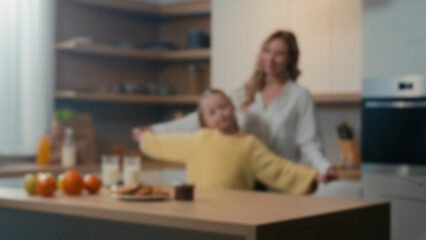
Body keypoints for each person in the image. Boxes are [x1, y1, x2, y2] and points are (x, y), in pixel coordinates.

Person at [133, 30, 337, 183]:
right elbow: (200, 119)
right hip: (246, 180)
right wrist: (154, 130)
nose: (270, 59)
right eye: (266, 51)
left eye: (279, 54)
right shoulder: (243, 91)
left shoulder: (300, 97)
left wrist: (323, 167)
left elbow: (309, 142)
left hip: (281, 181)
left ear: (291, 58)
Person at [140, 89, 329, 195]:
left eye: (223, 107)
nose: (220, 113)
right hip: (200, 211)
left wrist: (310, 177)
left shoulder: (249, 145)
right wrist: (146, 137)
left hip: (238, 214)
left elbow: (278, 168)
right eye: (212, 112)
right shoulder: (198, 139)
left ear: (232, 107)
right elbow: (167, 143)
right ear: (206, 121)